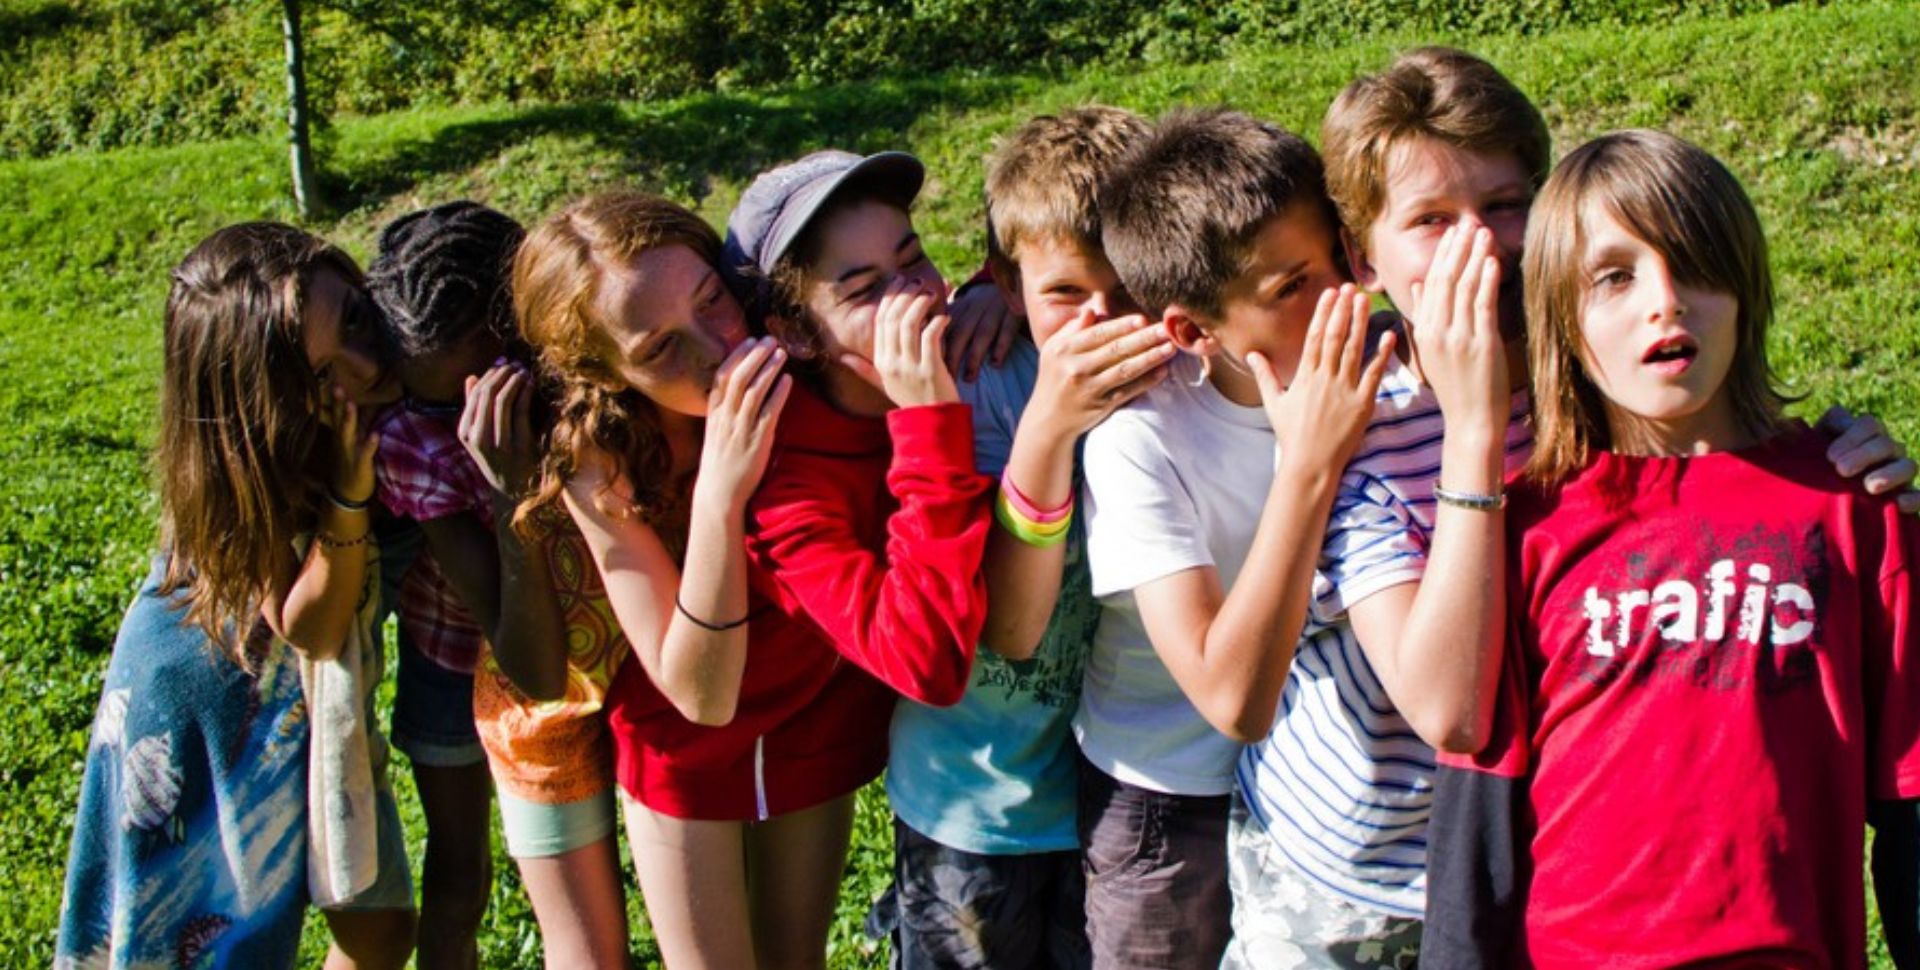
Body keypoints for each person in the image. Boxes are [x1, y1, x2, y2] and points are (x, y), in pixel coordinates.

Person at [1422, 127, 1920, 968]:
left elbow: (1910, 797)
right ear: (1560, 320)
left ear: (1747, 289)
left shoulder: (1856, 505)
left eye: (1694, 262)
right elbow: (1478, 819)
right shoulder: (1528, 526)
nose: (1666, 299)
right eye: (1614, 277)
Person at [515, 190, 880, 970]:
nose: (714, 350)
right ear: (604, 373)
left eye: (713, 300)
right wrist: (720, 490)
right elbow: (700, 696)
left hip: (811, 711)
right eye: (658, 350)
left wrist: (987, 296)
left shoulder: (799, 351)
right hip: (685, 746)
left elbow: (895, 294)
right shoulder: (600, 460)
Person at [1071, 108, 1399, 969]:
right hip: (1168, 798)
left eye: (1338, 261)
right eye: (1292, 288)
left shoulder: (1396, 366)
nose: (1343, 301)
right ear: (1191, 330)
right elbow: (1234, 700)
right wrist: (1308, 465)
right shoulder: (1139, 442)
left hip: (1324, 800)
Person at [56, 222, 415, 970]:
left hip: (314, 699)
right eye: (320, 376)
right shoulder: (248, 474)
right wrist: (350, 498)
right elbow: (307, 626)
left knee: (379, 931)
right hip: (208, 707)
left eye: (354, 318)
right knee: (211, 948)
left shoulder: (370, 391)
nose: (362, 367)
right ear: (262, 402)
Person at [874, 106, 1172, 970]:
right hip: (974, 797)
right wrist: (1048, 427)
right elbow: (1011, 625)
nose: (1104, 322)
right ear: (1009, 284)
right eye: (1067, 295)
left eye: (1130, 290)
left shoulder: (1186, 364)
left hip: (1116, 792)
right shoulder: (976, 384)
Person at [366, 200, 623, 970]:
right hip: (459, 657)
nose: (462, 416)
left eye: (486, 380)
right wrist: (512, 490)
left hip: (609, 647)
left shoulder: (581, 370)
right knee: (460, 878)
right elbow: (526, 662)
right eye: (434, 397)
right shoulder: (413, 438)